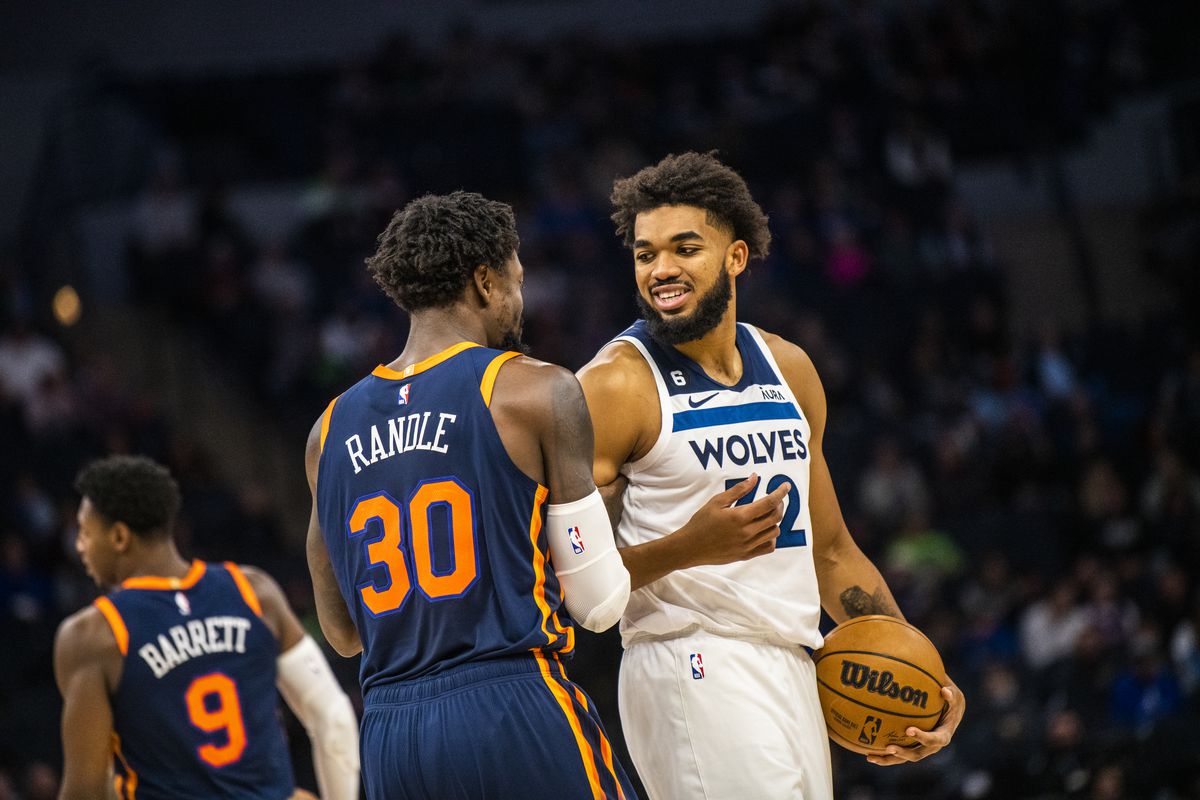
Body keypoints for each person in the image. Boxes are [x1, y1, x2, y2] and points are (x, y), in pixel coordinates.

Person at [576, 152, 966, 799]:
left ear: (735, 256)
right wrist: (690, 548)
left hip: (794, 661)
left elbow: (833, 552)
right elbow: (568, 580)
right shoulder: (615, 385)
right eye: (646, 254)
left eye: (684, 248)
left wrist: (923, 676)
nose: (661, 269)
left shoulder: (789, 368)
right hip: (690, 659)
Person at [305, 191, 637, 800]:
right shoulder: (535, 392)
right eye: (516, 279)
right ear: (485, 282)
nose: (519, 299)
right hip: (510, 702)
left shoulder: (327, 432)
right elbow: (599, 604)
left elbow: (342, 632)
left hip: (388, 733)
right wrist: (614, 493)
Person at [54, 455, 359, 800]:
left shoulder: (95, 634)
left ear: (120, 537)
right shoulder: (253, 590)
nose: (79, 546)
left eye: (84, 532)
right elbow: (333, 718)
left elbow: (84, 791)